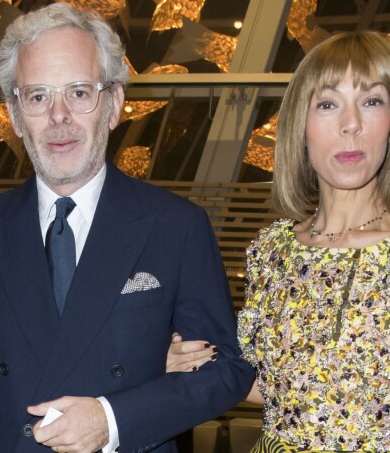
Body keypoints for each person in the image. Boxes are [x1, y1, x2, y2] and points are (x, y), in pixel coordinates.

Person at [0, 2, 254, 452]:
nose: (58, 116)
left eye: (79, 92)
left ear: (113, 104)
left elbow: (227, 369)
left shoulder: (175, 226)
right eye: (38, 96)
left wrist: (113, 420)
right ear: (14, 115)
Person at [167, 30, 390, 452]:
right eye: (327, 104)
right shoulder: (272, 249)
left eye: (372, 101)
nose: (351, 124)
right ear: (299, 127)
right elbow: (276, 389)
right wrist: (192, 364)